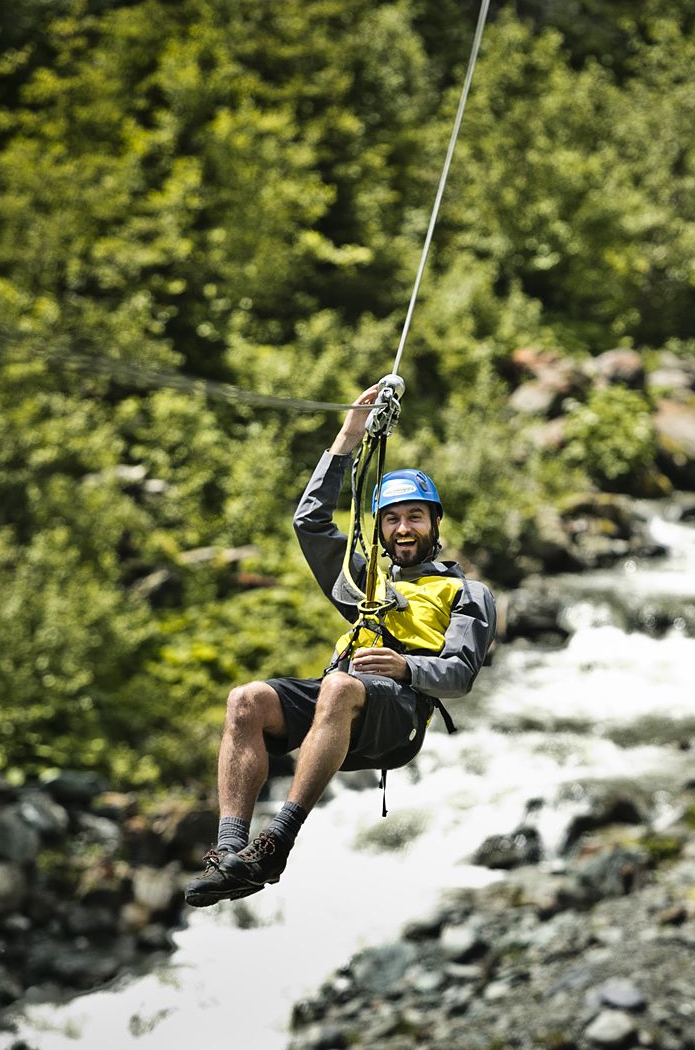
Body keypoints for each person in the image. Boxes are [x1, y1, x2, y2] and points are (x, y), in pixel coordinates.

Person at [185, 381, 498, 907]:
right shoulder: (363, 583)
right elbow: (309, 522)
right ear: (379, 529)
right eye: (392, 519)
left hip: (397, 717)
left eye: (415, 517)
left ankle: (276, 843)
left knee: (337, 687)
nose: (403, 528)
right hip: (346, 703)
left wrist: (405, 668)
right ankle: (231, 854)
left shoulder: (466, 592)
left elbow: (460, 674)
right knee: (246, 701)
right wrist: (349, 434)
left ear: (435, 524)